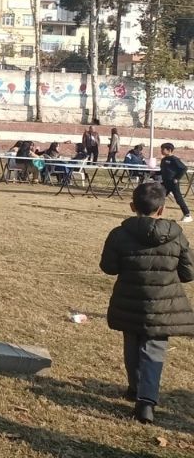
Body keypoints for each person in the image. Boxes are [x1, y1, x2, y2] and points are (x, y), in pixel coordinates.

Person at [99, 181, 194, 424]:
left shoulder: (119, 234)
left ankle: (135, 388)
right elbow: (188, 272)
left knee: (131, 345)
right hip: (164, 307)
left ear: (132, 206)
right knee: (154, 351)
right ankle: (146, 402)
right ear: (162, 209)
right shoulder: (176, 236)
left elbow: (109, 267)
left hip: (129, 301)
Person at [158, 143, 191, 222]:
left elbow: (184, 168)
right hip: (165, 182)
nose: (161, 151)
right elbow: (163, 171)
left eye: (163, 149)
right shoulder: (163, 160)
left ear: (169, 150)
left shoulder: (174, 159)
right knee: (159, 196)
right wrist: (155, 173)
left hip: (173, 183)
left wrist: (177, 178)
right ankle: (156, 214)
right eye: (161, 149)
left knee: (178, 199)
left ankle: (187, 215)